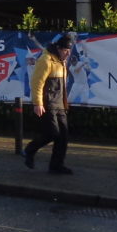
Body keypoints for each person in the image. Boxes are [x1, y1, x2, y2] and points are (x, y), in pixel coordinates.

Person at [23, 32, 74, 175]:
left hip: (59, 104)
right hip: (47, 103)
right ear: (58, 48)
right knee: (52, 133)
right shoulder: (45, 60)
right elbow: (37, 82)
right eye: (65, 50)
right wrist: (37, 103)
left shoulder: (61, 61)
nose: (68, 53)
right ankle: (29, 150)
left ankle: (56, 166)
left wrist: (65, 103)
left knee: (63, 137)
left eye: (69, 51)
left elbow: (62, 86)